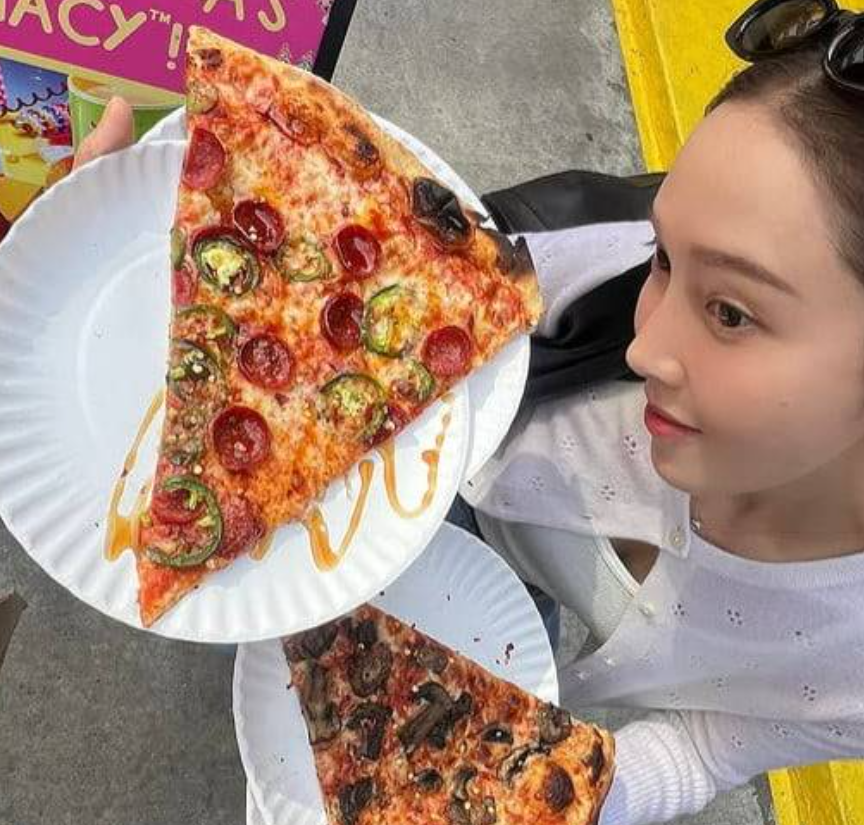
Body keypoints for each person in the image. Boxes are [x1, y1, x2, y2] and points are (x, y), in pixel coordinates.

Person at [74, 4, 864, 822]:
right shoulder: (576, 276)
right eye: (662, 256)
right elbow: (343, 279)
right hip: (413, 448)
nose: (644, 346)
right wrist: (122, 276)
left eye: (731, 312)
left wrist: (547, 799)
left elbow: (709, 745)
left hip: (498, 626)